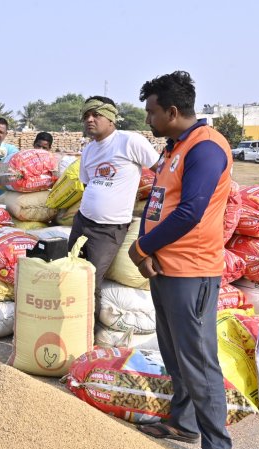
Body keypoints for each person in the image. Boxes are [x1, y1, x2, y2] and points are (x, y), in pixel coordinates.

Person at [128, 70, 233, 449]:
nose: (148, 120)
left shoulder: (206, 148)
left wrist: (142, 248)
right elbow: (157, 204)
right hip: (164, 267)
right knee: (175, 354)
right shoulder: (175, 147)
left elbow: (190, 212)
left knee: (198, 360)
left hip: (192, 271)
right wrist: (144, 249)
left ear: (173, 111)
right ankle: (183, 424)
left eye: (152, 112)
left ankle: (217, 448)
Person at [67, 96, 159, 322]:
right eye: (86, 116)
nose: (89, 119)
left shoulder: (129, 141)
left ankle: (87, 336)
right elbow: (89, 184)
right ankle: (68, 324)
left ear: (111, 118)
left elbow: (162, 170)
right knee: (70, 274)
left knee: (91, 282)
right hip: (82, 221)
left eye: (96, 115)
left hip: (109, 228)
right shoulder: (88, 150)